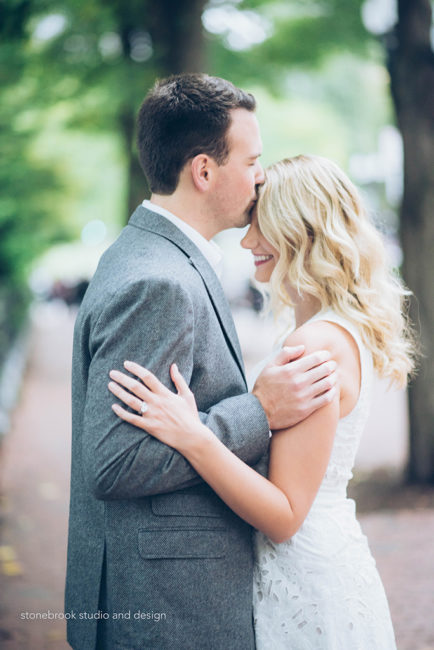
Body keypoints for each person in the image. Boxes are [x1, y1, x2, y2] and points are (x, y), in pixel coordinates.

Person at [65, 76, 337, 650]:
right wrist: (257, 411)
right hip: (167, 607)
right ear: (204, 171)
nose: (260, 175)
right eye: (252, 159)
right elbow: (114, 463)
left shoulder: (154, 256)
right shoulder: (157, 281)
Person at [108, 154, 417, 649]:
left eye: (260, 225)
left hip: (305, 583)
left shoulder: (315, 345)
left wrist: (195, 435)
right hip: (319, 563)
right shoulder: (329, 330)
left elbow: (285, 515)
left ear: (301, 230)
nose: (247, 241)